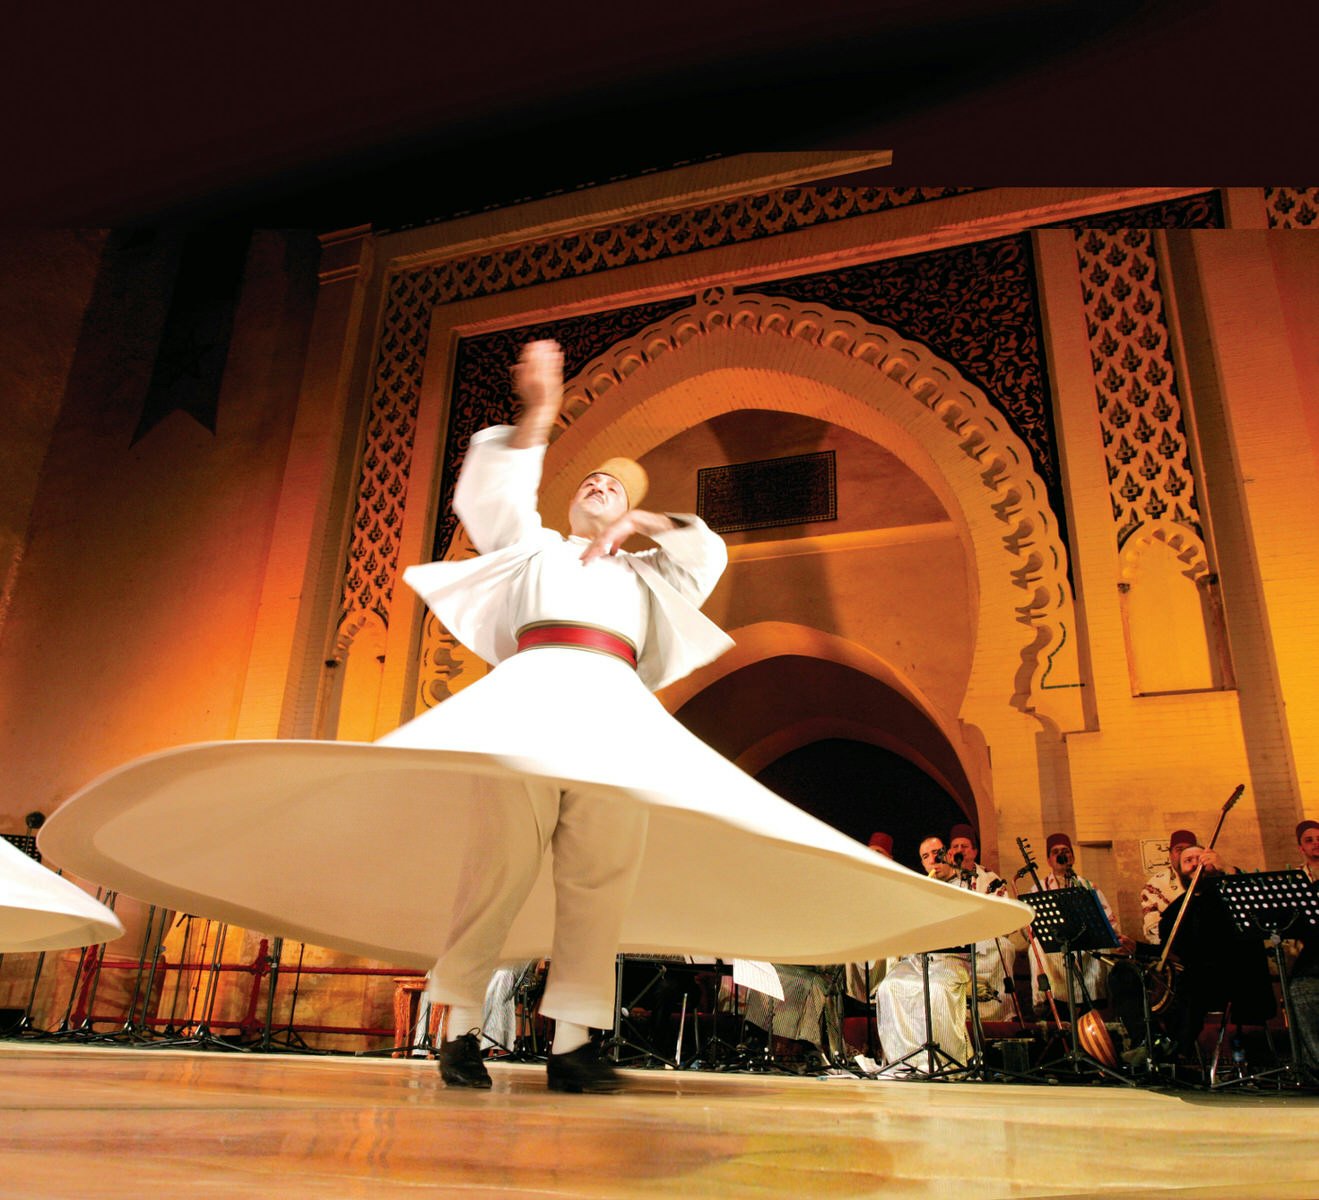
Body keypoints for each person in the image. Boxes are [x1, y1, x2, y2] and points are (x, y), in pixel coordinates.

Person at [38, 339, 1030, 1094]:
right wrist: (541, 412)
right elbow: (501, 497)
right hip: (528, 703)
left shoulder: (651, 570)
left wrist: (640, 516)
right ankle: (457, 1025)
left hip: (611, 715)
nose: (599, 488)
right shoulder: (537, 555)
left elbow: (701, 559)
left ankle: (576, 1040)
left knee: (601, 870)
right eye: (592, 481)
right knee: (499, 867)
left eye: (616, 487)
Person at [1157, 843, 1275, 1063]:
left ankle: (1177, 1053)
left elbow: (1259, 905)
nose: (1194, 864)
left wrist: (1226, 869)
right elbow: (1166, 950)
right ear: (1179, 872)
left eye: (1199, 858)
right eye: (1187, 861)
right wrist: (1134, 948)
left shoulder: (1231, 894)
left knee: (1191, 984)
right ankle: (1156, 1046)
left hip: (1240, 978)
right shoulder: (1176, 910)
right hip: (1199, 983)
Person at [874, 836, 972, 1071]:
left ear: (948, 855)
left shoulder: (965, 885)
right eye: (925, 857)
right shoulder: (918, 888)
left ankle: (947, 1062)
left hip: (951, 959)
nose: (932, 860)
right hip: (918, 959)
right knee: (889, 988)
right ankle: (905, 1061)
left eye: (936, 853)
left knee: (937, 991)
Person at [1023, 833, 1130, 1016]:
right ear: (1049, 860)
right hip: (1055, 946)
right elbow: (1029, 926)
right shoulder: (1038, 888)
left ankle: (1094, 1002)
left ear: (1072, 857)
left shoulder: (1088, 886)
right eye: (1055, 852)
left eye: (1065, 851)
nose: (1061, 855)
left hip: (1085, 942)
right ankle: (1048, 1002)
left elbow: (1107, 920)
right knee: (1036, 949)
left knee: (1103, 946)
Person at [946, 823, 1020, 1022]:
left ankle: (1001, 1014)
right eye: (955, 847)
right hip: (953, 941)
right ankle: (962, 1016)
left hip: (984, 938)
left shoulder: (990, 878)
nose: (959, 850)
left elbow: (1003, 913)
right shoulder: (945, 879)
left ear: (975, 851)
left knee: (1004, 947)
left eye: (965, 846)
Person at [1288, 821, 1319, 1071]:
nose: (1316, 843)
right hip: (1311, 956)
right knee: (1300, 988)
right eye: (1309, 840)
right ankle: (1315, 1068)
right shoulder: (1295, 881)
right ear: (1301, 848)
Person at [1139, 828, 1197, 944]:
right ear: (1170, 854)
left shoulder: (1210, 876)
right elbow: (1154, 930)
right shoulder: (1154, 885)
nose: (1184, 854)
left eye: (1189, 849)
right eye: (1179, 849)